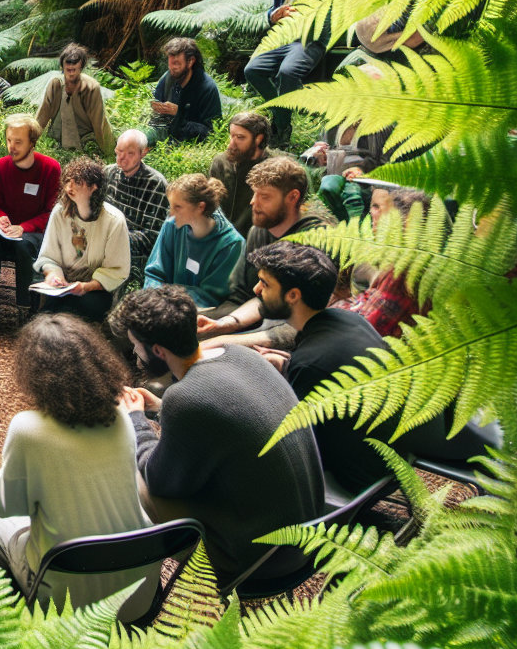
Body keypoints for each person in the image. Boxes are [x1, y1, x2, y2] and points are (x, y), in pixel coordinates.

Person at [109, 287, 324, 584]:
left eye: (136, 345)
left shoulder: (185, 399)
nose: (134, 352)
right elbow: (221, 417)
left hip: (260, 561)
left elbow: (160, 480)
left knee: (131, 471)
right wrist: (160, 409)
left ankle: (133, 578)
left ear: (158, 350)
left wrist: (134, 419)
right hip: (311, 535)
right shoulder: (240, 356)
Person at [247, 241, 490, 490]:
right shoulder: (349, 319)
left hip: (358, 481)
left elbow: (295, 449)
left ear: (293, 295)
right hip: (393, 457)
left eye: (265, 283)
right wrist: (286, 364)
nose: (256, 289)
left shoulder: (310, 364)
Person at [0, 314, 161, 622]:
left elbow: (6, 507)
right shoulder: (121, 420)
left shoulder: (28, 429)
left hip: (69, 602)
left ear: (34, 374)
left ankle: (7, 615)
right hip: (139, 596)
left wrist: (3, 477)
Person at [202, 157, 326, 340]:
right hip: (252, 317)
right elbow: (245, 295)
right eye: (254, 194)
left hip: (294, 332)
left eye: (264, 196)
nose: (253, 202)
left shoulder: (315, 241)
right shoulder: (258, 233)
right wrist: (225, 324)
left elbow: (305, 315)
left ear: (292, 197)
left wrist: (227, 338)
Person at [0, 114, 60, 339]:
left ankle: (25, 313)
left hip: (34, 234)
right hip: (5, 232)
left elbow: (52, 213)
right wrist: (0, 217)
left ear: (32, 142)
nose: (11, 146)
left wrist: (24, 227)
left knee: (23, 246)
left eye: (18, 141)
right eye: (9, 140)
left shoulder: (51, 169)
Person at [243, 0, 324, 147]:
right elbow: (273, 9)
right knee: (252, 70)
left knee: (286, 72)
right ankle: (280, 113)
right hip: (283, 40)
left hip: (308, 40)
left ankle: (282, 129)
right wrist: (274, 15)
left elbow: (327, 16)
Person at [31, 158, 131, 324]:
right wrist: (55, 275)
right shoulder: (59, 212)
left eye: (77, 182)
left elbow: (116, 269)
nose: (70, 187)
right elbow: (49, 256)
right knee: (47, 314)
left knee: (75, 308)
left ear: (93, 187)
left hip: (94, 288)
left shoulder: (114, 221)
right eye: (68, 181)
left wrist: (85, 287)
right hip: (63, 284)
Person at [325, 187, 433, 339]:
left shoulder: (405, 271)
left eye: (386, 215)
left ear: (407, 223)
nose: (374, 215)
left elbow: (366, 325)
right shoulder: (414, 260)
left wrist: (330, 306)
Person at [142, 174, 245, 310]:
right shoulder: (172, 225)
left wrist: (167, 300)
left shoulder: (232, 244)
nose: (171, 214)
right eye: (170, 206)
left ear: (200, 207)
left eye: (177, 207)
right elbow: (155, 272)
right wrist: (154, 298)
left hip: (202, 314)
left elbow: (211, 296)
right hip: (165, 305)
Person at [33, 43, 115, 153]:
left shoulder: (91, 88)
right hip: (58, 140)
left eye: (74, 70)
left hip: (85, 141)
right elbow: (43, 114)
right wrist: (30, 141)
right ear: (62, 67)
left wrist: (107, 152)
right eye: (68, 70)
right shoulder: (55, 85)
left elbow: (99, 122)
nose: (71, 74)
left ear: (81, 68)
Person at [104, 130, 170, 263]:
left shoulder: (155, 184)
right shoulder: (108, 172)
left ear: (143, 152)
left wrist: (111, 240)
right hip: (102, 242)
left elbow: (151, 236)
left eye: (130, 153)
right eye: (119, 151)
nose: (122, 157)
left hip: (133, 255)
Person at [208, 111, 272, 233]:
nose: (231, 144)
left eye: (240, 137)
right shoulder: (221, 163)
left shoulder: (273, 167)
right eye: (231, 136)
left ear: (258, 139)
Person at [149, 37, 221, 143]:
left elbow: (210, 133)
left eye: (177, 64)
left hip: (188, 144)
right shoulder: (168, 77)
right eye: (170, 64)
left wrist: (179, 114)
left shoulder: (207, 88)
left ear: (191, 61)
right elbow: (155, 103)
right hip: (163, 135)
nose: (172, 69)